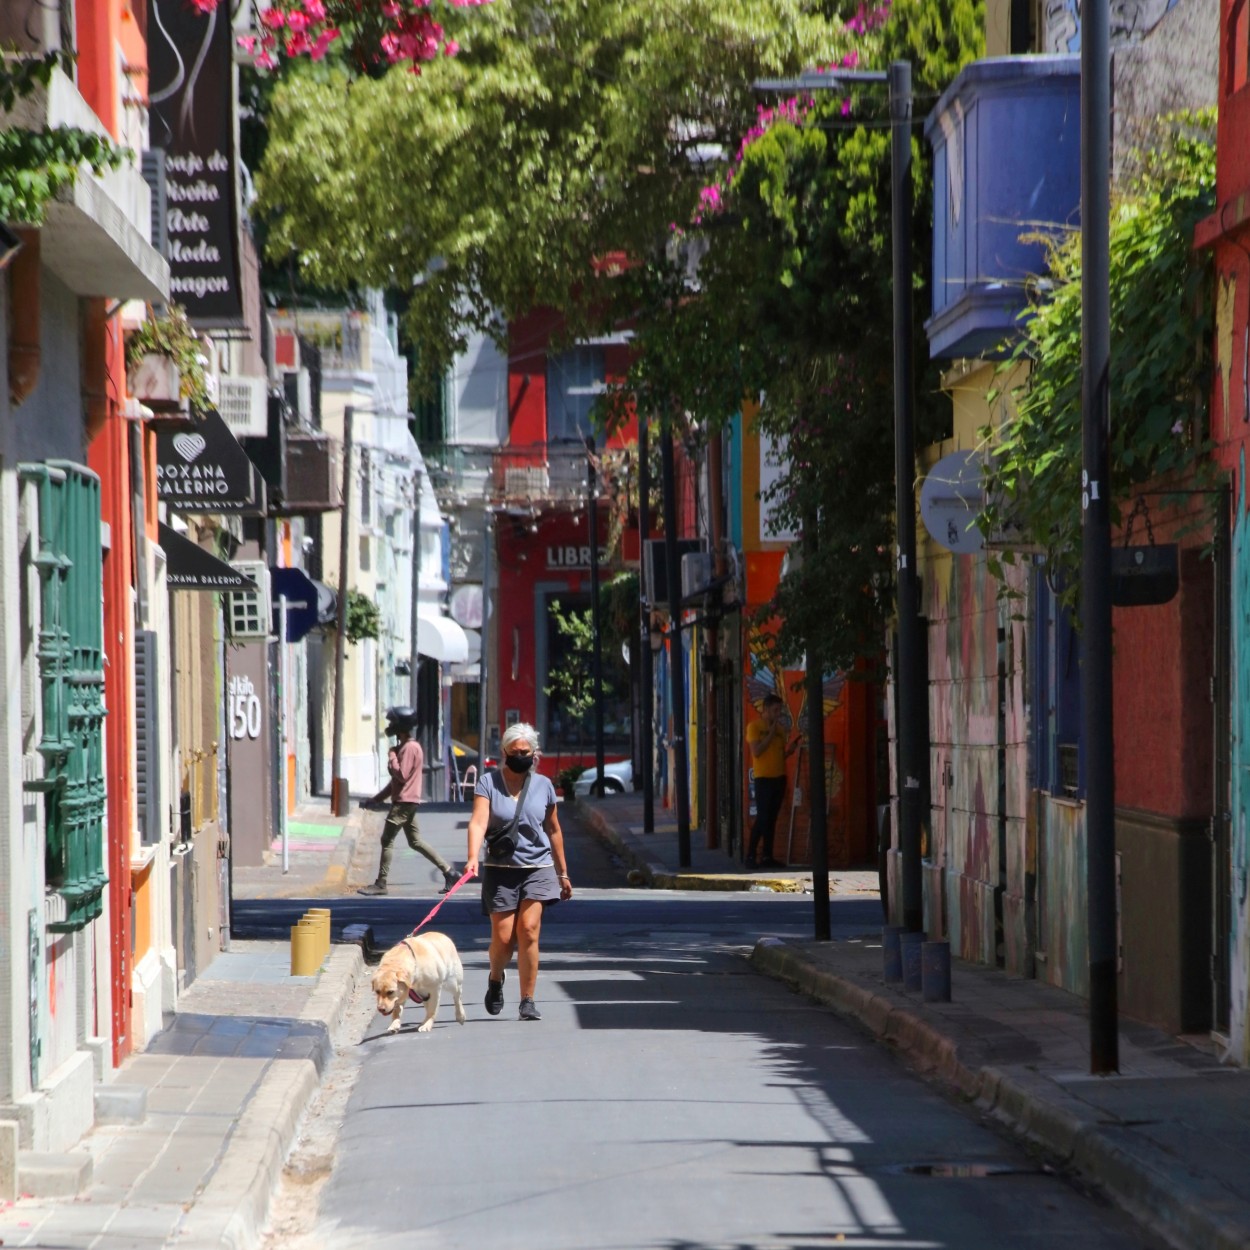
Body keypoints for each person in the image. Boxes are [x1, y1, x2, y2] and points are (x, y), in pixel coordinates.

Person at [465, 723, 572, 1021]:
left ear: (534, 754)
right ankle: (496, 979)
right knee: (502, 938)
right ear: (504, 753)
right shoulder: (488, 783)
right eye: (515, 752)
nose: (521, 756)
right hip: (501, 870)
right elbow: (477, 822)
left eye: (526, 752)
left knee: (528, 931)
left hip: (538, 868)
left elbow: (554, 830)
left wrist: (563, 873)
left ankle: (528, 999)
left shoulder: (544, 786)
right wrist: (473, 857)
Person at [358, 706, 459, 897]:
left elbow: (402, 775)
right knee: (415, 841)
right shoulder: (405, 747)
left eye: (393, 723)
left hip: (404, 803)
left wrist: (392, 757)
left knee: (387, 840)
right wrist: (376, 799)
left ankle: (381, 883)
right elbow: (394, 784)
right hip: (407, 802)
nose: (390, 726)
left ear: (401, 727)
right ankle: (449, 872)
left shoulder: (410, 748)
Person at [746, 693, 792, 868]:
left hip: (779, 778)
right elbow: (757, 751)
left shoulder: (780, 730)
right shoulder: (755, 727)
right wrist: (771, 732)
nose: (778, 714)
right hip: (763, 778)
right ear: (765, 710)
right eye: (775, 710)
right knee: (763, 818)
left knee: (772, 818)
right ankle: (751, 854)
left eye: (780, 710)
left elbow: (779, 754)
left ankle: (767, 856)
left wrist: (790, 751)